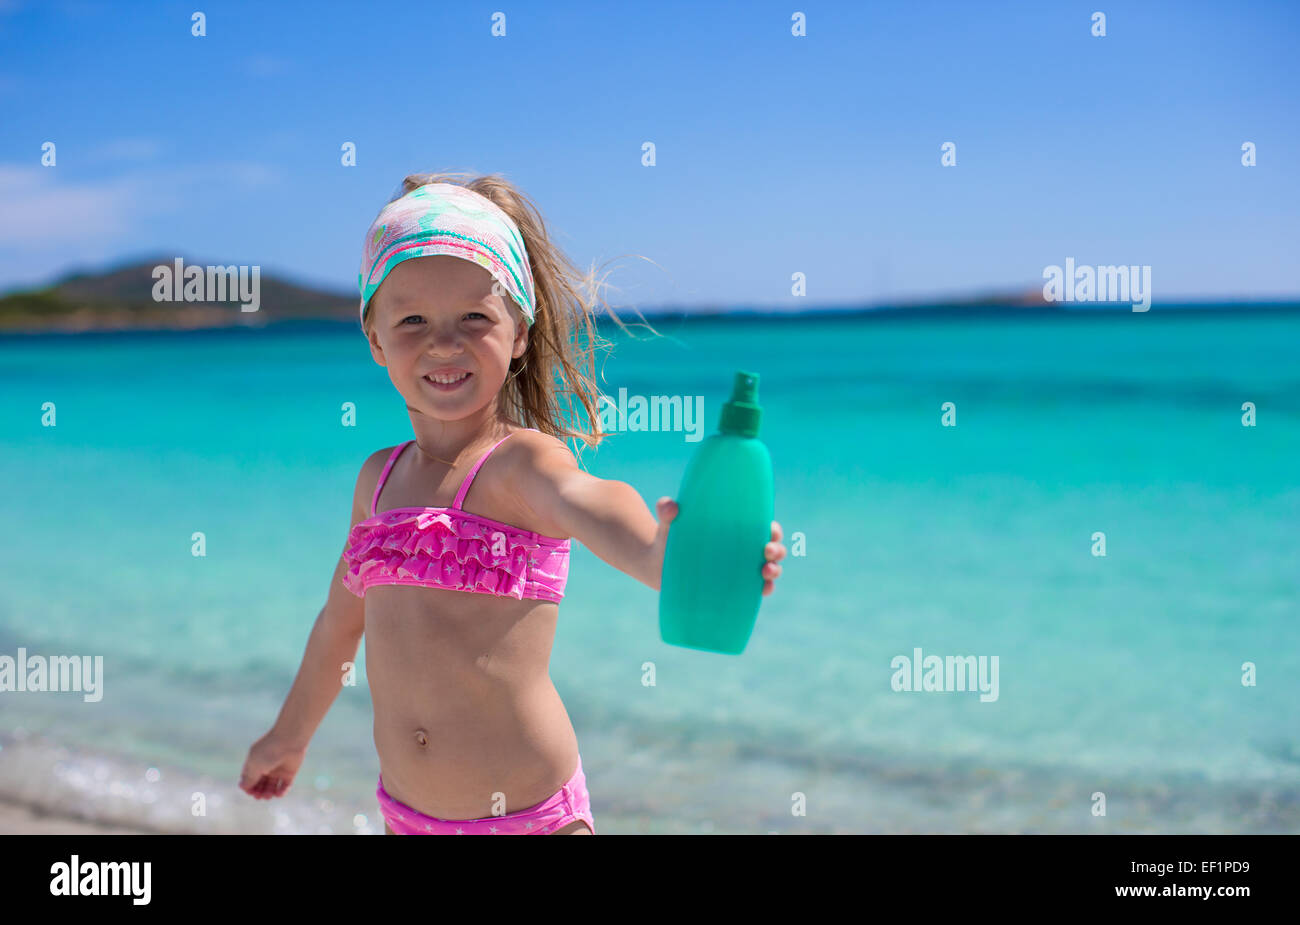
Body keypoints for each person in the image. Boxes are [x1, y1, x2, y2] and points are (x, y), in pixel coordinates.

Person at [238, 173, 786, 834]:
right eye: (413, 320)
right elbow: (337, 627)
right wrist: (289, 736)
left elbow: (592, 501)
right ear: (376, 338)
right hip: (406, 818)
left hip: (532, 821)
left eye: (476, 316)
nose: (445, 342)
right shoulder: (376, 481)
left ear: (519, 331)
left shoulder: (520, 464)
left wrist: (666, 554)